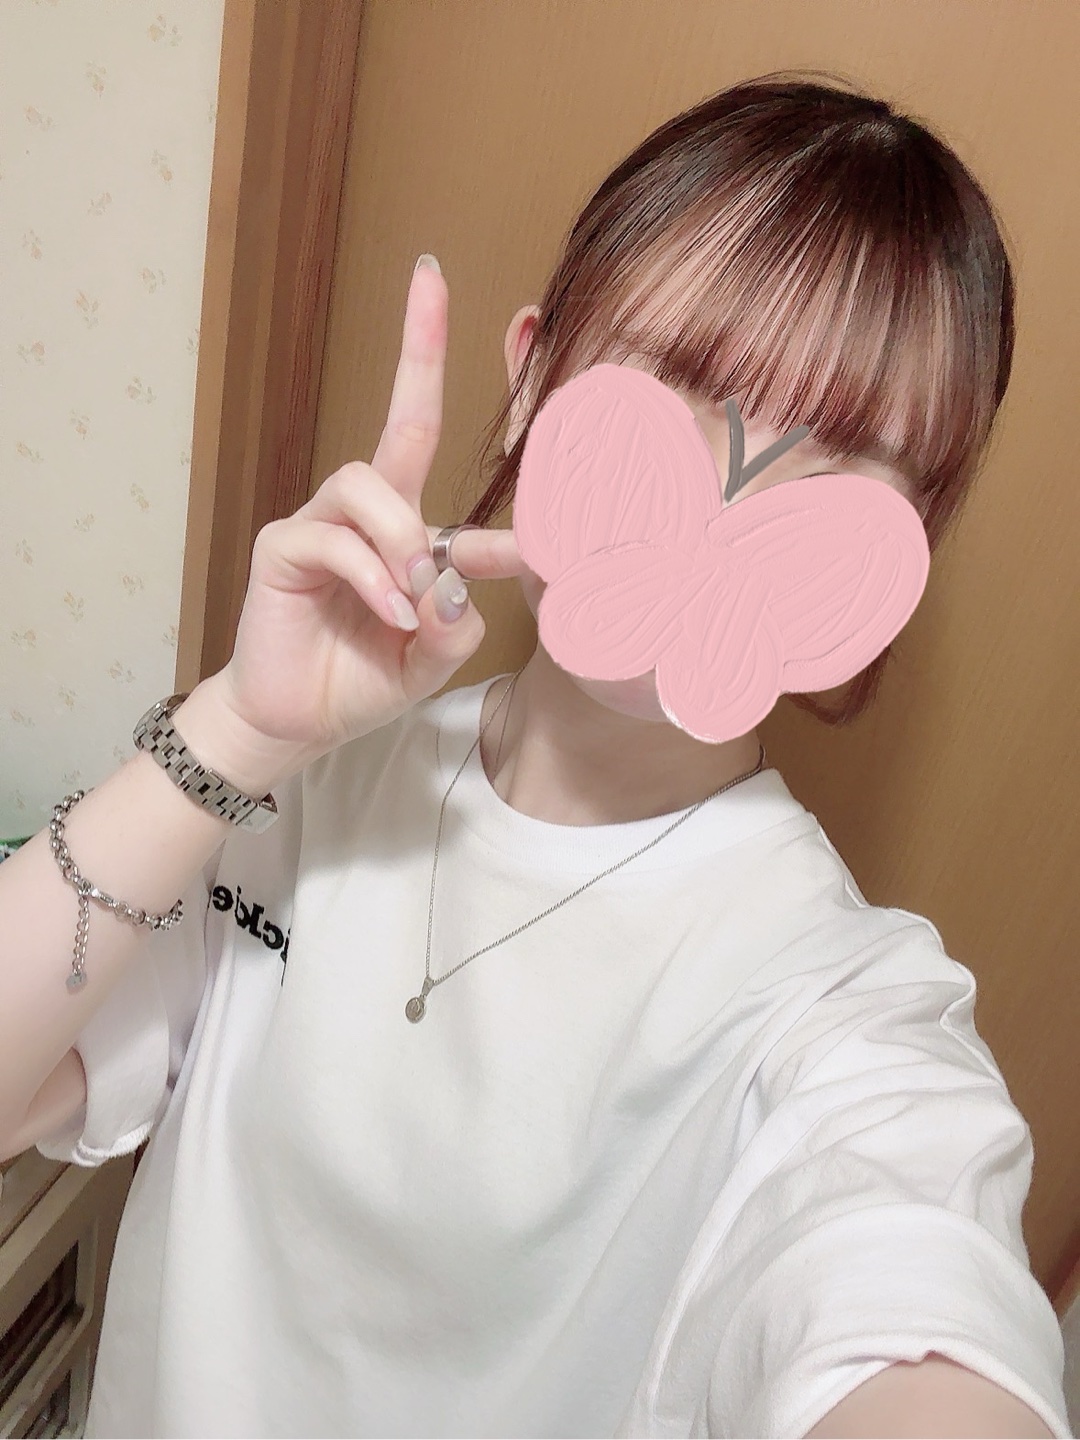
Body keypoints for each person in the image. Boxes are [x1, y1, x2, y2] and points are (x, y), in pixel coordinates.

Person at [0, 71, 1069, 1439]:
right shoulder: (304, 791)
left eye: (847, 456)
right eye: (686, 381)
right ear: (534, 381)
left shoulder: (840, 1011)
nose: (729, 495)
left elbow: (907, 1280)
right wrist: (240, 731)